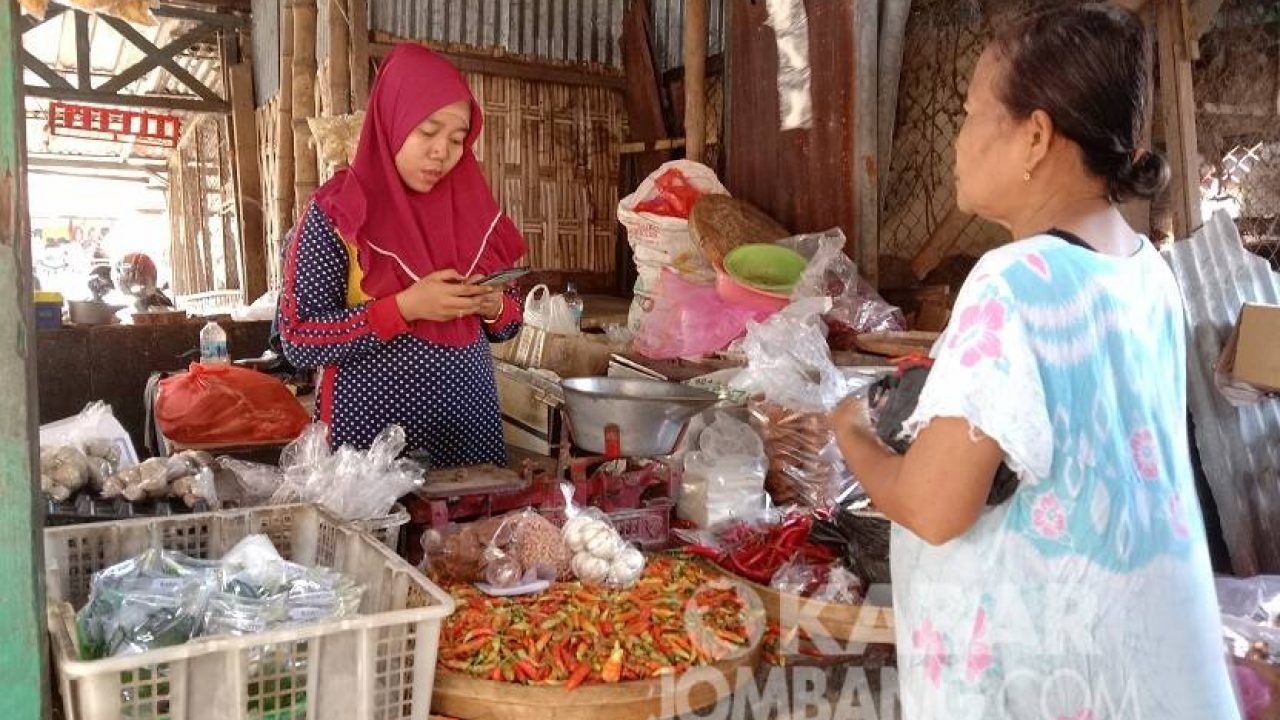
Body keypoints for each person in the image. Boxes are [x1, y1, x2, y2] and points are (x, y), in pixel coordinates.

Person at [831, 6, 1240, 719]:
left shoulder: (1010, 281)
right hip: (1143, 675)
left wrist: (849, 432)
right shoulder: (1147, 273)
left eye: (968, 114)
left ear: (1036, 136)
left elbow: (934, 506)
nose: (955, 143)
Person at [277, 44, 526, 467]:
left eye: (457, 139)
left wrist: (493, 305)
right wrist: (405, 307)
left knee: (475, 532)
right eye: (428, 132)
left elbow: (510, 323)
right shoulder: (339, 213)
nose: (441, 152)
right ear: (391, 120)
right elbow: (298, 338)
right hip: (370, 449)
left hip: (469, 435)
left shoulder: (472, 212)